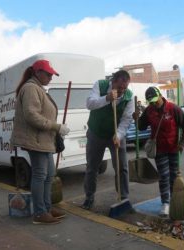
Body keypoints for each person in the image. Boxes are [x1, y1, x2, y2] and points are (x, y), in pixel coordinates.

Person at [11, 60, 70, 225]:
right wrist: (56, 127)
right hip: (35, 140)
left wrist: (55, 129)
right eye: (48, 74)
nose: (51, 77)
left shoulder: (37, 89)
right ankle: (39, 213)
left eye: (52, 74)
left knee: (49, 174)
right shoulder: (30, 88)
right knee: (40, 175)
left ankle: (46, 208)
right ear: (37, 72)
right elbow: (32, 115)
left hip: (44, 140)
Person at [134, 87, 184, 217]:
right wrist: (136, 119)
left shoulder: (173, 109)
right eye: (151, 102)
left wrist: (181, 144)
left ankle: (174, 201)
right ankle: (165, 203)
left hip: (174, 149)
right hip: (159, 149)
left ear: (160, 95)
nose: (154, 103)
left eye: (155, 100)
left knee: (174, 177)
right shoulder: (149, 111)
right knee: (163, 177)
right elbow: (141, 127)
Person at [82, 70, 134, 210]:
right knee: (92, 168)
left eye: (125, 87)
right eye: (120, 87)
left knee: (122, 167)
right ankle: (89, 197)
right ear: (113, 81)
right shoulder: (100, 85)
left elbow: (126, 119)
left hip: (115, 135)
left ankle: (124, 198)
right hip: (96, 133)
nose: (122, 90)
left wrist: (119, 135)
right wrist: (106, 98)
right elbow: (89, 104)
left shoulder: (129, 96)